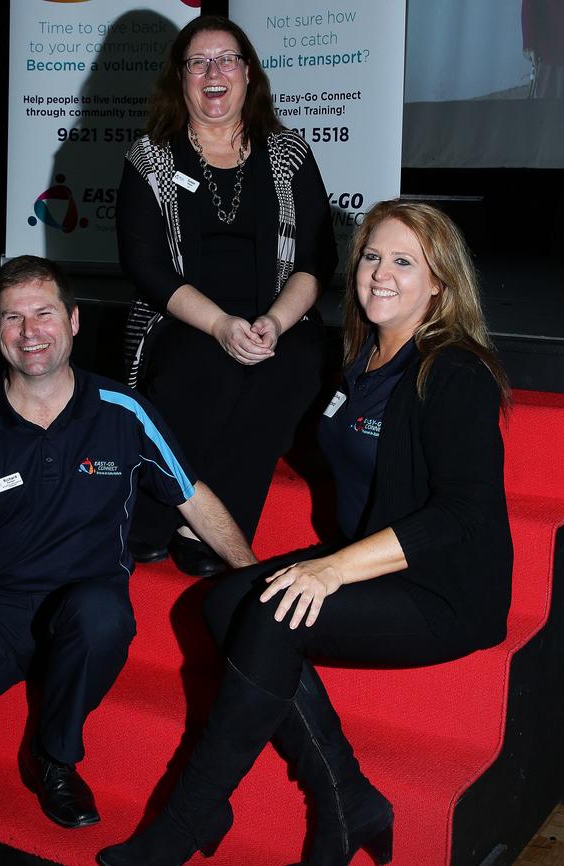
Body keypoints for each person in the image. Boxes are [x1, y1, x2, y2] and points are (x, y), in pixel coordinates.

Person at [97, 200, 514, 866]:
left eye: (405, 262)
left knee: (271, 616)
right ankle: (348, 798)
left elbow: (461, 515)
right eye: (372, 256)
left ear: (440, 282)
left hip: (442, 586)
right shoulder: (367, 358)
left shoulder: (455, 373)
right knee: (223, 600)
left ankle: (184, 822)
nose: (381, 273)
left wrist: (332, 570)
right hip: (374, 555)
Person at [0, 255, 256, 865]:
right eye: (12, 318)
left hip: (83, 609)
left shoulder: (123, 412)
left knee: (103, 613)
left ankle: (54, 754)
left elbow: (194, 500)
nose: (30, 331)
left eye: (44, 313)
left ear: (73, 321)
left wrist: (254, 579)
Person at [117, 14, 336, 577]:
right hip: (183, 319)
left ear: (247, 74)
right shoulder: (151, 159)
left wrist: (275, 324)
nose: (213, 72)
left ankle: (208, 525)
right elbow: (144, 266)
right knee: (206, 368)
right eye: (198, 62)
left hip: (279, 319)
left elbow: (318, 260)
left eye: (227, 59)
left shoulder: (288, 154)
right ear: (181, 78)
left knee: (290, 369)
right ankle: (151, 510)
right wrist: (219, 325)